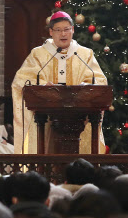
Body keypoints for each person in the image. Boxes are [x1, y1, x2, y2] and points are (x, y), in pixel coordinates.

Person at [11, 11, 108, 154]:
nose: (63, 34)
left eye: (67, 29)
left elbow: (100, 80)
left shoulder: (85, 54)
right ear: (51, 32)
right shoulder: (38, 54)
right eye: (58, 30)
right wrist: (44, 86)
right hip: (45, 118)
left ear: (73, 30)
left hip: (80, 117)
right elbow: (21, 81)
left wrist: (85, 87)